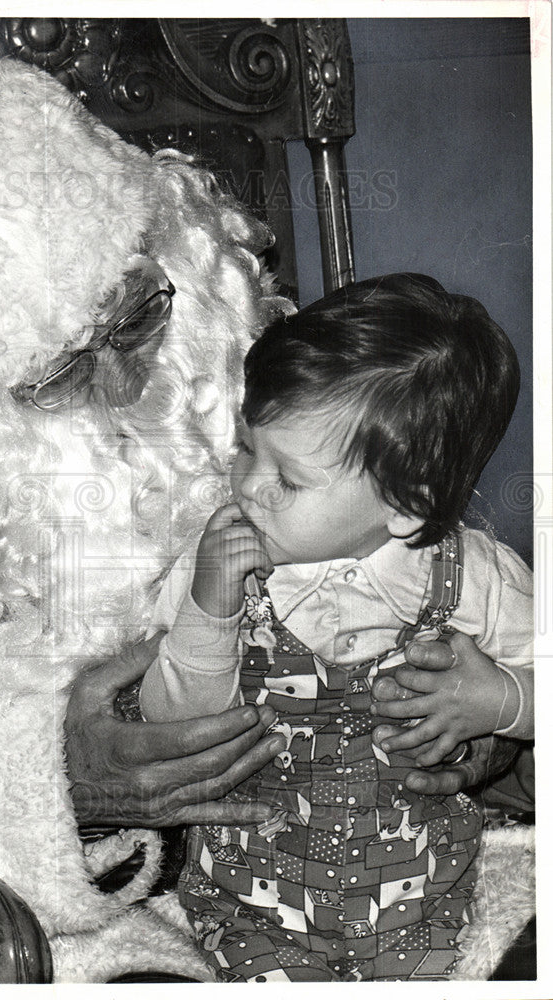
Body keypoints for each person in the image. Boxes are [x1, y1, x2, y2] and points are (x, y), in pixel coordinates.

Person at [0, 52, 517, 981]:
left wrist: (484, 732)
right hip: (107, 917)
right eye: (57, 373)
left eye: (133, 319)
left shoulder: (287, 393)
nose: (124, 378)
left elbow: (474, 603)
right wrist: (54, 776)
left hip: (387, 863)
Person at [139, 273, 533, 981]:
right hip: (251, 904)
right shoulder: (221, 562)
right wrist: (210, 610)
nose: (251, 484)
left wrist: (499, 700)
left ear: (407, 504)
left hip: (424, 900)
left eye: (287, 477)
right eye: (245, 448)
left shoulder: (474, 578)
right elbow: (172, 723)